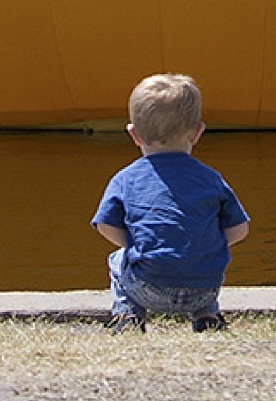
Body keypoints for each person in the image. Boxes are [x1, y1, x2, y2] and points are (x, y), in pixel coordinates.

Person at [93, 73, 251, 333]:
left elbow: (105, 225)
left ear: (134, 134)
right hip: (204, 287)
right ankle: (206, 315)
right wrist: (206, 245)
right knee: (207, 256)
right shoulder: (210, 178)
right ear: (198, 132)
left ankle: (127, 316)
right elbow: (240, 229)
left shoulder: (126, 179)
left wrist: (137, 246)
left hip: (148, 287)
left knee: (117, 259)